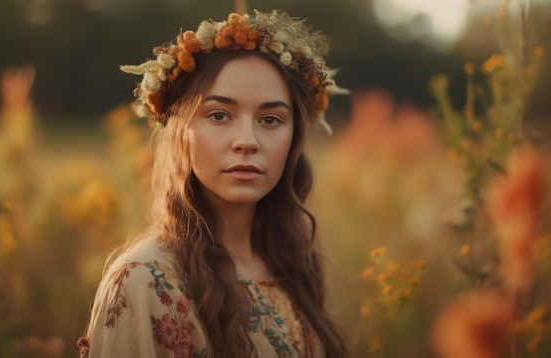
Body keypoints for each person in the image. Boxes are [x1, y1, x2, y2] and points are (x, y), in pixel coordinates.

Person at [78, 9, 349, 358]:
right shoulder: (146, 279)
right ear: (181, 130)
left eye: (271, 119)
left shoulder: (293, 264)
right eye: (219, 115)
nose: (247, 141)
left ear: (294, 136)